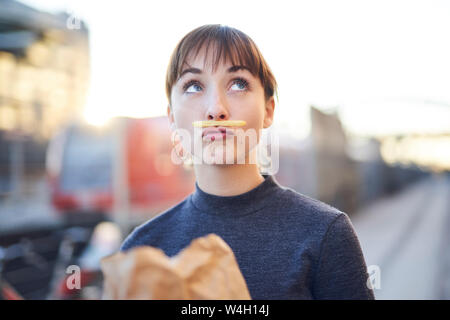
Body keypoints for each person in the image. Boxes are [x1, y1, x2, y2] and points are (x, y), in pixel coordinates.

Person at [120, 24, 375, 300]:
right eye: (193, 86)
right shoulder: (142, 250)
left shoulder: (327, 234)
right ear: (171, 118)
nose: (216, 109)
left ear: (268, 111)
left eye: (238, 84)